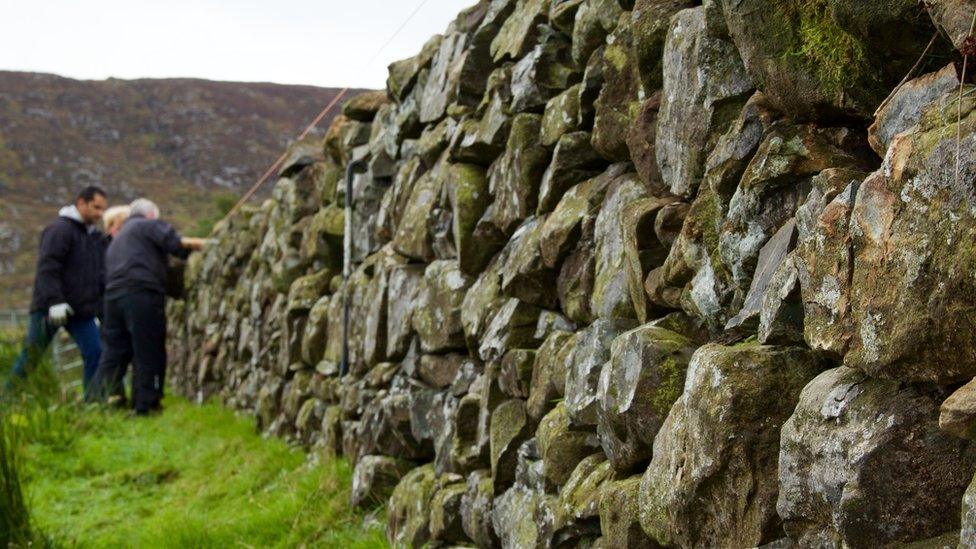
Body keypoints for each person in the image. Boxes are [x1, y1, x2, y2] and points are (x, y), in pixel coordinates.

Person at [92, 198, 206, 415]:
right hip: (141, 292)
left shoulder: (118, 239)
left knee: (115, 352)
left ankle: (97, 401)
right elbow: (175, 245)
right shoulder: (148, 225)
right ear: (152, 214)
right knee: (148, 348)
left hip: (113, 297)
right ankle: (146, 405)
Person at [9, 186, 109, 392]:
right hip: (49, 308)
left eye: (102, 209)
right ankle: (8, 399)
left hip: (81, 311)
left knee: (95, 352)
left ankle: (93, 403)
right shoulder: (59, 229)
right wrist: (55, 301)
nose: (100, 214)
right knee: (32, 356)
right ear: (81, 202)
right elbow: (47, 267)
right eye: (96, 207)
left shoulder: (90, 236)